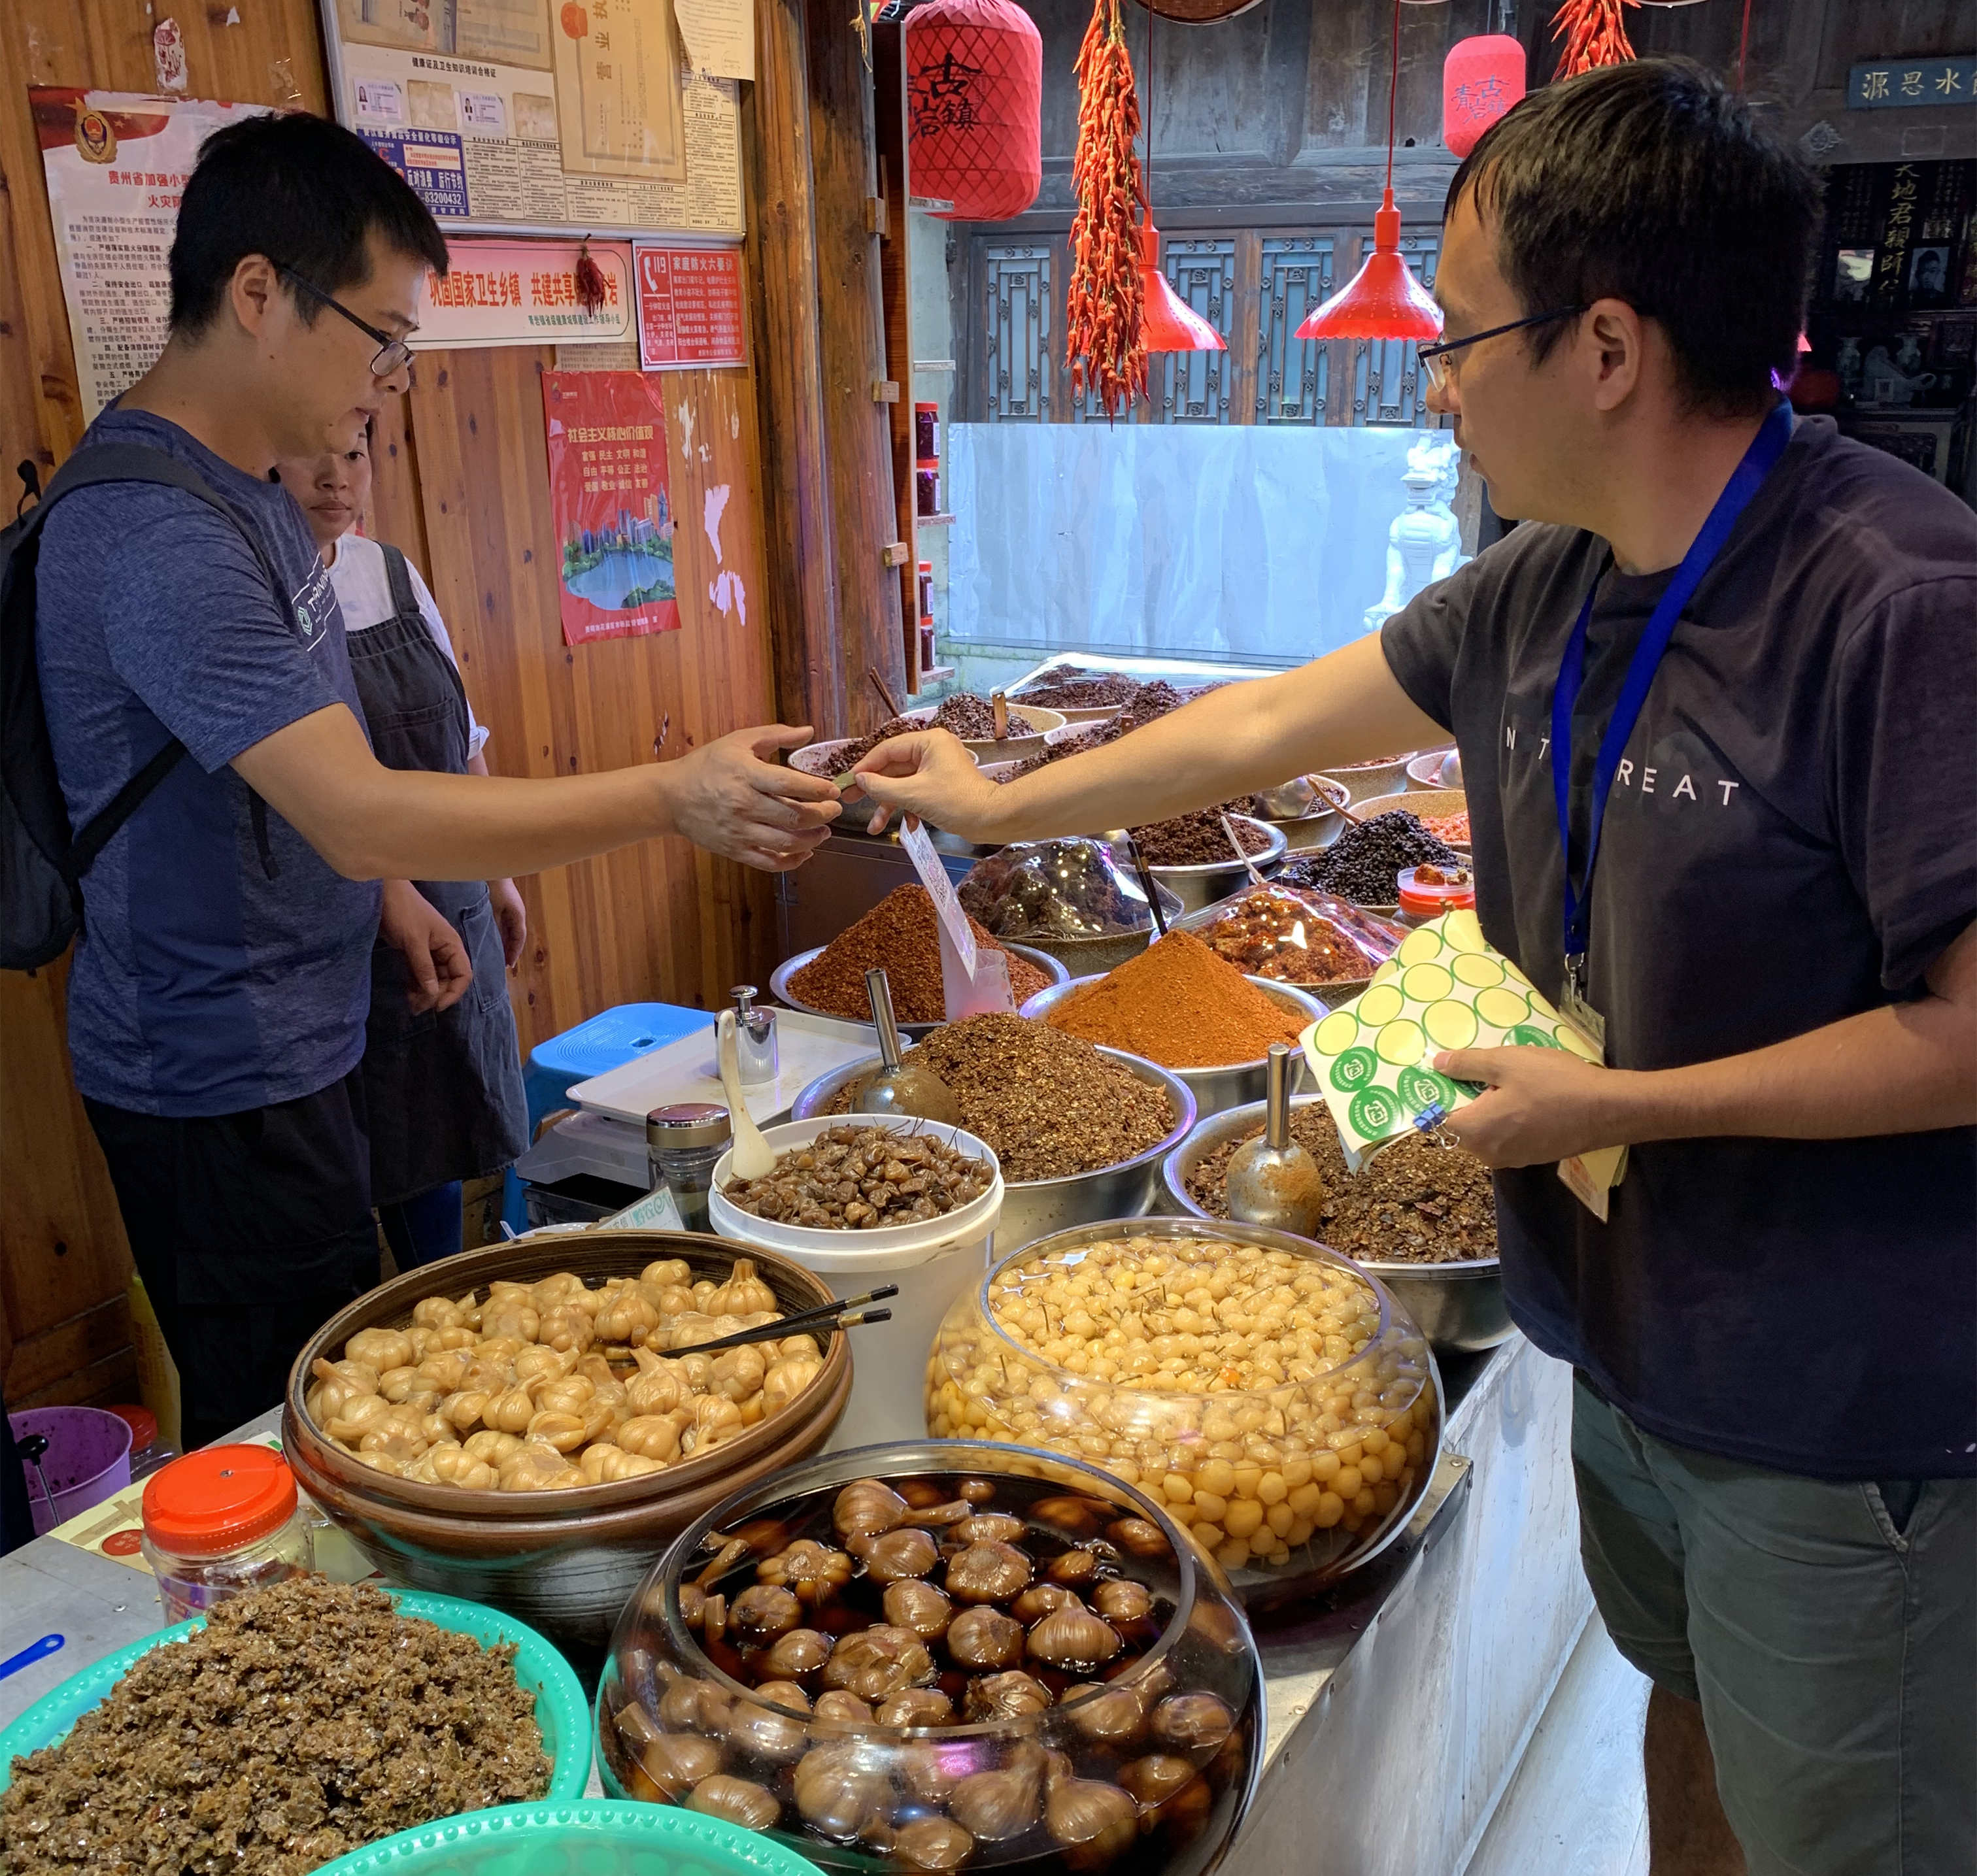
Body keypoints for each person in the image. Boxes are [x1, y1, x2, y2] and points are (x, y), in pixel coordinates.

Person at [854, 61, 1975, 1876]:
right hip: (1625, 1343)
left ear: (1605, 345)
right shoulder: (1541, 585)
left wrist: (1621, 1103)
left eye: (1460, 337)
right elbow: (1272, 723)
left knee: (1850, 1829)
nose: (1434, 382)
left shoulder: (1898, 600)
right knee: (1680, 1727)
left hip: (1839, 1414)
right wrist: (1000, 790)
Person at [34, 111, 840, 1450]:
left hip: (307, 1035)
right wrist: (670, 797)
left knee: (360, 1396)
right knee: (312, 1443)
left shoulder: (245, 494)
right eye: (385, 338)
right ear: (257, 297)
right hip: (211, 1083)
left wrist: (398, 889)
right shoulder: (156, 532)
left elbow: (302, 777)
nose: (389, 383)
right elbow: (352, 808)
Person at [274, 424, 526, 1268]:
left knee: (457, 1150)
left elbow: (466, 728)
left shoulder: (393, 574)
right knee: (398, 1178)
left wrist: (498, 873)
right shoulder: (263, 589)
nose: (335, 477)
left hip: (453, 912)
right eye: (314, 454)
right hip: (356, 948)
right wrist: (391, 893)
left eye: (353, 454)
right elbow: (305, 790)